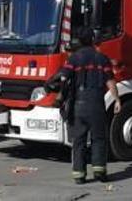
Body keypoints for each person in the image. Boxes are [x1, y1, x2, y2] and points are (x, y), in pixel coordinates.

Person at [51, 28, 121, 185]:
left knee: (79, 141)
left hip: (78, 106)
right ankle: (99, 172)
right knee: (99, 138)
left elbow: (63, 78)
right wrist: (117, 100)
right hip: (97, 103)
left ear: (80, 41)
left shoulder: (74, 59)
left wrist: (59, 96)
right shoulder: (102, 59)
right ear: (93, 40)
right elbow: (110, 81)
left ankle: (79, 175)